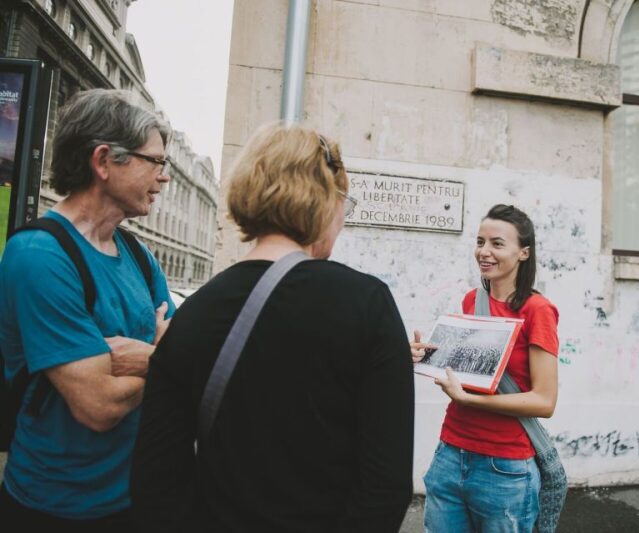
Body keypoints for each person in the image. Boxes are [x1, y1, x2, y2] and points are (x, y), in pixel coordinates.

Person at [130, 123, 415, 532]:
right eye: (344, 204)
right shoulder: (367, 303)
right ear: (323, 200)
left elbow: (156, 480)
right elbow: (386, 486)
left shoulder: (195, 311)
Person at [0, 89, 175, 530]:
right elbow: (98, 406)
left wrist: (150, 358)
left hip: (136, 498)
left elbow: (184, 345)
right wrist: (162, 359)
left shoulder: (138, 254)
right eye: (155, 161)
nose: (165, 177)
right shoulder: (39, 255)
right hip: (55, 509)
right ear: (103, 161)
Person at [411, 204, 560, 533]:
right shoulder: (472, 300)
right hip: (451, 453)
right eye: (480, 242)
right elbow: (472, 368)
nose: (484, 251)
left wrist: (470, 400)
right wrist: (425, 356)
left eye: (497, 243)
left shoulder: (538, 310)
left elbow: (544, 401)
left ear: (523, 253)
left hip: (505, 467)